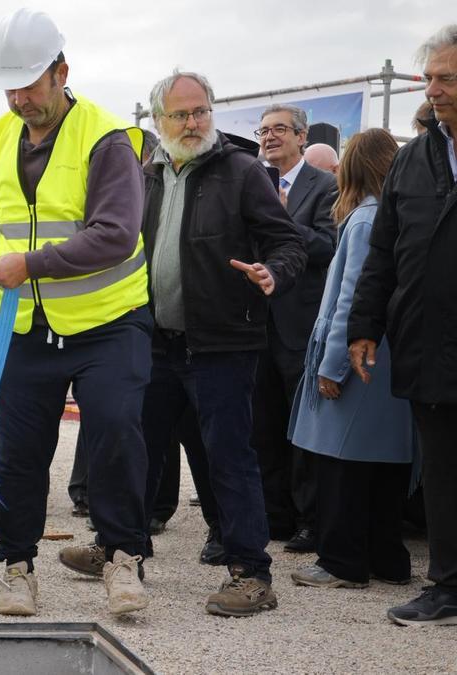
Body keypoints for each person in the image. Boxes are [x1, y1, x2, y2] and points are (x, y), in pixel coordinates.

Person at [0, 8, 150, 617]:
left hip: (109, 320)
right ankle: (17, 567)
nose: (19, 99)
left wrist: (29, 265)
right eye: (9, 87)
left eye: (30, 86)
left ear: (62, 71)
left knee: (115, 431)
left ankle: (122, 559)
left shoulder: (108, 137)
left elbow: (116, 234)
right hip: (26, 326)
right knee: (19, 449)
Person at [105, 70, 302, 617]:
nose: (192, 123)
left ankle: (252, 574)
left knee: (230, 458)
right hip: (153, 342)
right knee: (136, 453)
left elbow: (287, 242)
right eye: (180, 114)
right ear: (157, 121)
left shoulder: (240, 172)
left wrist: (272, 273)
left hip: (222, 343)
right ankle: (122, 553)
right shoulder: (145, 176)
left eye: (200, 111)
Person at [348, 24, 457, 627]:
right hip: (430, 343)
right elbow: (382, 252)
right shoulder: (414, 157)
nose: (431, 88)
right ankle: (447, 586)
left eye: (446, 78)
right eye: (430, 77)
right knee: (442, 471)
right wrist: (363, 326)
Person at [287, 128, 416, 591]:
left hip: (357, 360)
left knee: (340, 464)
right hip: (389, 358)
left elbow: (352, 298)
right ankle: (388, 558)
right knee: (383, 466)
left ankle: (342, 562)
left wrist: (331, 364)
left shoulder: (363, 220)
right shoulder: (397, 216)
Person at [251, 103, 338, 553]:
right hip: (253, 324)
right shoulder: (253, 182)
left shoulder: (325, 185)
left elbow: (328, 245)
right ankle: (273, 514)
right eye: (263, 130)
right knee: (261, 424)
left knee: (300, 428)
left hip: (299, 324)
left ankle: (310, 520)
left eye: (279, 129)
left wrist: (283, 221)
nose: (269, 137)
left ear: (302, 137)